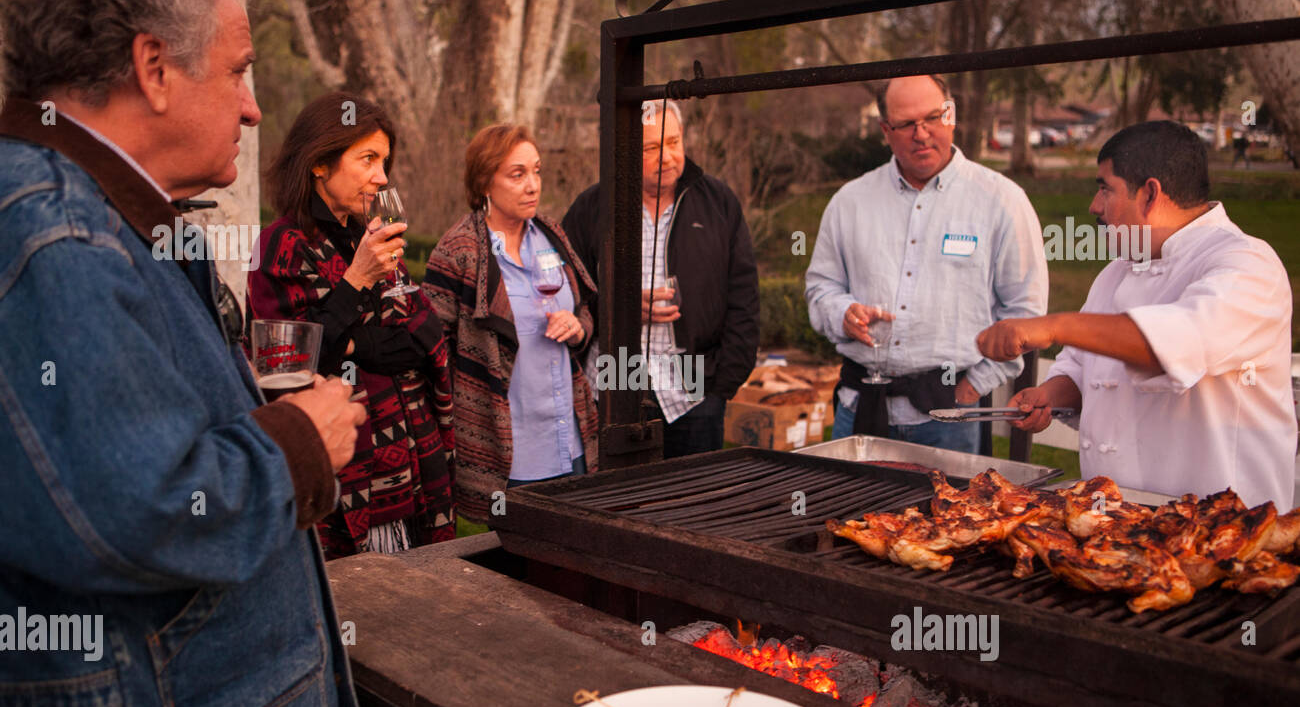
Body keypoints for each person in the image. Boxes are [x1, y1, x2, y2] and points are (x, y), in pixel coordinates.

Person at [0, 0, 378, 707]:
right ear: (154, 67)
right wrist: (298, 445)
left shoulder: (94, 217)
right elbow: (139, 507)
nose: (253, 110)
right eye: (241, 70)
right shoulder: (57, 237)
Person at [978, 120, 1296, 509]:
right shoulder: (1118, 271)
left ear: (1149, 194)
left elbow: (1168, 345)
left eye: (1105, 189)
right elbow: (1082, 369)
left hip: (1224, 529)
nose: (1094, 207)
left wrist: (1051, 325)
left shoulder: (1246, 265)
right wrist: (1050, 395)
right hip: (1120, 520)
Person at [251, 93, 455, 558]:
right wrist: (359, 281)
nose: (382, 177)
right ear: (320, 162)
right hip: (348, 477)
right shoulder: (280, 244)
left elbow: (421, 328)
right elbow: (285, 365)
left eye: (384, 161)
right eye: (367, 159)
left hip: (415, 464)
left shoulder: (368, 232)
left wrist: (354, 342)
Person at [804, 74, 1048, 453]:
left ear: (951, 115)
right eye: (905, 124)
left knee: (952, 515)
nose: (921, 134)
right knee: (847, 513)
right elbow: (821, 286)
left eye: (932, 118)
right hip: (861, 408)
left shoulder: (1002, 202)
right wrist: (841, 314)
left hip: (951, 416)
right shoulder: (849, 202)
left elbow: (1025, 314)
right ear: (886, 129)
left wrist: (974, 386)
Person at [562, 100, 760, 457]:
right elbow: (566, 294)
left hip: (694, 385)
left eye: (674, 142)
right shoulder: (593, 207)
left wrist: (722, 386)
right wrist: (617, 308)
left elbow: (743, 296)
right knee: (619, 502)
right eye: (651, 148)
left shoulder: (718, 202)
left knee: (693, 505)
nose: (667, 157)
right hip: (614, 377)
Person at [423, 125, 598, 521]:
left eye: (536, 171)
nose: (532, 185)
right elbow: (431, 348)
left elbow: (587, 309)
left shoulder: (552, 234)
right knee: (509, 574)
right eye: (517, 175)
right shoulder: (459, 250)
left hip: (570, 444)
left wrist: (578, 327)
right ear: (485, 181)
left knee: (574, 568)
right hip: (507, 455)